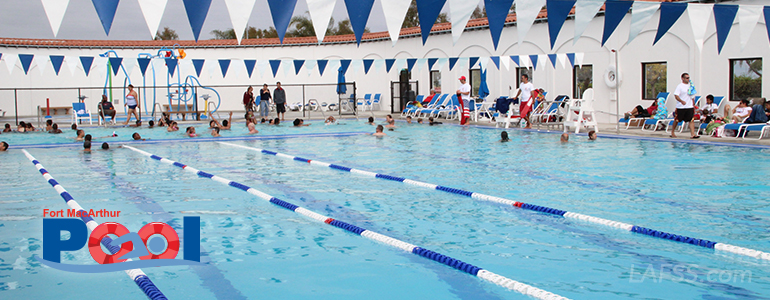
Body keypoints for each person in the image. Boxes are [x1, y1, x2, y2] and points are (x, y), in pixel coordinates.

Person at [670, 73, 699, 138]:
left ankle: (692, 134)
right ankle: (672, 132)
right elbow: (676, 95)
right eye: (687, 78)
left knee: (691, 120)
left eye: (689, 78)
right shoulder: (680, 86)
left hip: (689, 106)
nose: (688, 79)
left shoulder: (690, 86)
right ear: (682, 78)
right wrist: (681, 101)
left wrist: (693, 104)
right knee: (677, 120)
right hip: (681, 107)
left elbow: (692, 96)